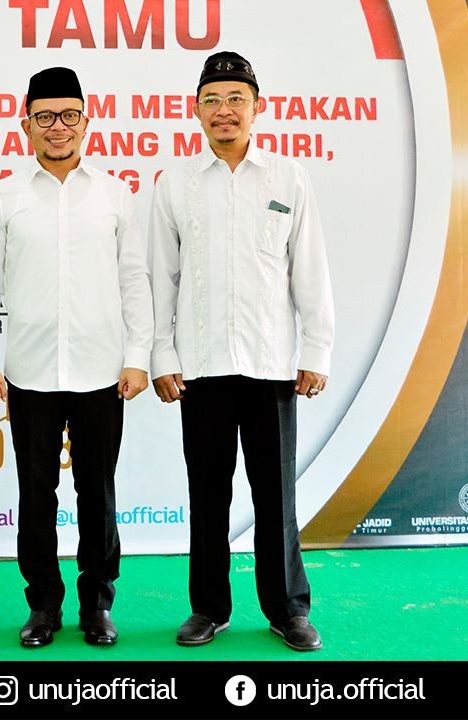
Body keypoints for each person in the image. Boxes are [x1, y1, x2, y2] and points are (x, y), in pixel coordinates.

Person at [147, 52, 334, 652]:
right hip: (199, 367)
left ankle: (288, 609)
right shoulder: (174, 182)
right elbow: (160, 278)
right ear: (194, 110)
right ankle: (209, 609)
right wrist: (161, 356)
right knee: (208, 491)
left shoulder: (287, 178)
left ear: (258, 108)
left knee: (275, 493)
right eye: (212, 101)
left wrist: (317, 350)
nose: (224, 112)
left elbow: (310, 271)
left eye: (236, 100)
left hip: (272, 362)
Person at [0, 67, 153, 648]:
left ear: (86, 121)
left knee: (97, 492)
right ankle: (43, 607)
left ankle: (97, 605)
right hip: (27, 372)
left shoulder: (114, 194)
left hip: (103, 371)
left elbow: (134, 280)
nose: (58, 127)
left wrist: (138, 355)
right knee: (35, 494)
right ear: (25, 123)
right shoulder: (3, 196)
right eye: (45, 116)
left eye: (69, 115)